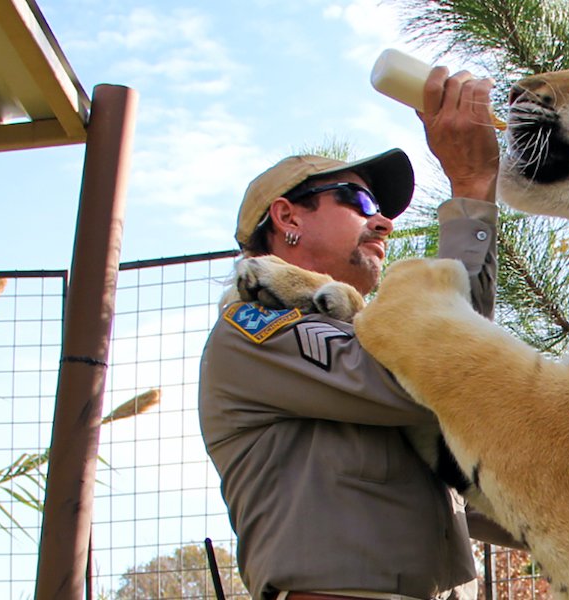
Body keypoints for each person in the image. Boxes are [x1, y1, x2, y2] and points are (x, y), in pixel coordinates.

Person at [199, 67, 510, 600]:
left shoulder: (360, 341)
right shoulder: (252, 332)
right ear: (287, 216)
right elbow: (435, 372)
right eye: (359, 201)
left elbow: (487, 469)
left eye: (384, 210)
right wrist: (471, 190)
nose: (384, 221)